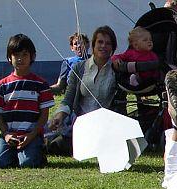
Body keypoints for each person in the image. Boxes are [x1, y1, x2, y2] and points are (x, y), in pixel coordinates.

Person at [46, 26, 121, 156]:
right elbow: (69, 98)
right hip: (80, 122)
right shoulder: (79, 67)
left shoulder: (117, 70)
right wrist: (60, 115)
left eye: (108, 43)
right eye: (100, 42)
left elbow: (120, 104)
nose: (103, 46)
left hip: (104, 124)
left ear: (113, 48)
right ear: (93, 45)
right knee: (53, 142)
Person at [0, 34, 54, 169]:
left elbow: (44, 115)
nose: (20, 59)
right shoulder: (2, 85)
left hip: (32, 135)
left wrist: (32, 135)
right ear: (9, 57)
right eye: (16, 55)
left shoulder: (41, 84)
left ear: (32, 57)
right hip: (10, 135)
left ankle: (38, 153)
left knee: (28, 163)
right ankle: (12, 153)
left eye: (25, 54)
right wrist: (6, 134)